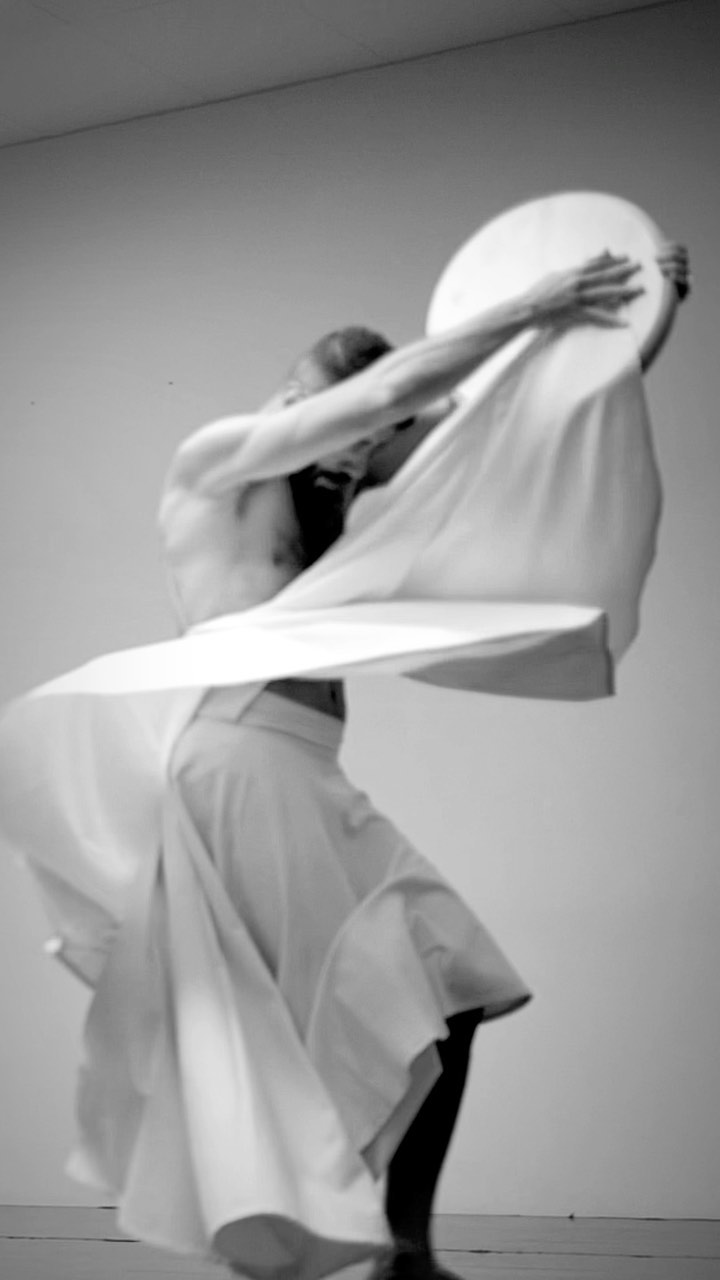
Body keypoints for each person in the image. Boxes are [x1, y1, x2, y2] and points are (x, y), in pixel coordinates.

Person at [153, 244, 689, 1280]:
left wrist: (629, 311)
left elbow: (501, 424)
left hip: (301, 770)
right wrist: (534, 301)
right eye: (350, 435)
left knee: (453, 991)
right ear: (304, 398)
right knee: (320, 1022)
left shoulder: (336, 472)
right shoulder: (221, 459)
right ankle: (306, 1245)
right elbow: (389, 397)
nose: (357, 462)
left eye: (371, 451)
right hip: (239, 755)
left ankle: (403, 1253)